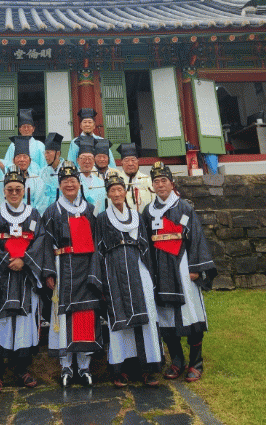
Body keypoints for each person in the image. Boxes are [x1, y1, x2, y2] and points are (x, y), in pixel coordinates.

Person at [143, 162, 217, 383]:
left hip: (182, 267)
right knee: (165, 317)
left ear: (171, 183)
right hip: (160, 270)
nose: (160, 185)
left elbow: (196, 238)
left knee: (190, 314)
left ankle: (196, 362)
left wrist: (195, 268)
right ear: (152, 186)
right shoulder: (148, 212)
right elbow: (145, 243)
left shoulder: (184, 208)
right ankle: (177, 361)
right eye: (156, 181)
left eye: (163, 180)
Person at [96, 171, 162, 388]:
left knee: (146, 314)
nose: (117, 194)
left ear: (125, 192)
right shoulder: (103, 218)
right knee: (119, 316)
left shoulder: (136, 216)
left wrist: (150, 272)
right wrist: (101, 278)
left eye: (119, 189)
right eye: (112, 190)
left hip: (138, 267)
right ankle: (121, 368)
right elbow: (99, 249)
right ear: (108, 194)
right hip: (114, 270)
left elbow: (145, 244)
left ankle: (147, 367)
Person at [42, 161, 103, 387]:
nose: (69, 184)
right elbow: (45, 243)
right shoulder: (52, 211)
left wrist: (96, 271)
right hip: (62, 267)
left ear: (79, 183)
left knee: (85, 313)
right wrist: (49, 271)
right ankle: (66, 365)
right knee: (63, 316)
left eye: (73, 180)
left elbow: (97, 241)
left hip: (86, 268)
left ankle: (84, 366)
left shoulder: (90, 210)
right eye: (65, 180)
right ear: (59, 185)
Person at [0, 166, 45, 393]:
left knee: (24, 323)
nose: (13, 193)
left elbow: (40, 241)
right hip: (1, 277)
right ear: (3, 191)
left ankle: (22, 368)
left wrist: (24, 261)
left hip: (26, 278)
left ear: (24, 190)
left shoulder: (34, 215)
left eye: (18, 189)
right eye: (9, 189)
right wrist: (7, 260)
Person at [9, 136, 48, 214]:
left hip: (32, 216)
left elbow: (40, 204)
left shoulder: (37, 180)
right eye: (18, 157)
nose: (22, 160)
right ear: (13, 161)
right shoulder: (7, 179)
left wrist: (31, 216)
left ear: (30, 161)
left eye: (25, 157)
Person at [116, 143, 153, 213]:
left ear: (138, 162)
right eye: (126, 160)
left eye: (133, 160)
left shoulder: (147, 180)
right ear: (122, 162)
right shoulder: (116, 182)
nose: (130, 164)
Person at [76, 138, 106, 212]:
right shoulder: (72, 181)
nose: (87, 162)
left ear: (94, 161)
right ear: (78, 160)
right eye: (83, 158)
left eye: (90, 158)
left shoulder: (101, 182)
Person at [39, 132, 64, 210]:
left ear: (57, 154)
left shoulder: (67, 169)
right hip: (47, 210)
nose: (45, 156)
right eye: (45, 153)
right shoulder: (43, 172)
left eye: (48, 153)